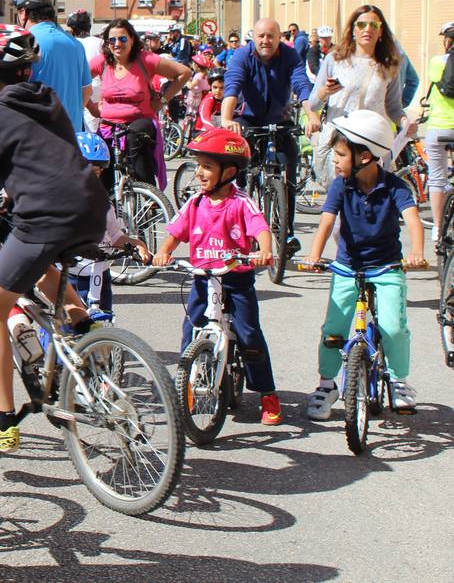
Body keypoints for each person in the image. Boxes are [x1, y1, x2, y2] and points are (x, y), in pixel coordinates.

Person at [0, 25, 110, 452]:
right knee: (43, 265)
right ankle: (87, 336)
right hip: (90, 209)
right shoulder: (47, 102)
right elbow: (35, 156)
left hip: (46, 216)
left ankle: (2, 419)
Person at [152, 127, 281, 424]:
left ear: (229, 171)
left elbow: (260, 228)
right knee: (191, 330)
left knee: (249, 334)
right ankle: (186, 383)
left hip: (236, 280)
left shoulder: (240, 202)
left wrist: (264, 249)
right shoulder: (195, 202)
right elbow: (175, 232)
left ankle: (267, 394)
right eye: (198, 165)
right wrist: (164, 251)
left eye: (207, 166)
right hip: (203, 278)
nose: (199, 172)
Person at [302, 110, 425, 419]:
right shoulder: (341, 186)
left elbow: (413, 221)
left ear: (365, 156)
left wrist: (417, 253)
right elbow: (327, 222)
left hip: (386, 268)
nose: (336, 161)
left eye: (341, 155)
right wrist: (314, 255)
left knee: (393, 328)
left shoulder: (395, 187)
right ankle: (327, 384)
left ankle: (398, 380)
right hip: (347, 267)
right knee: (333, 329)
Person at [221, 17, 312, 253]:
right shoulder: (243, 56)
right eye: (261, 36)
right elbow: (233, 86)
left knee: (289, 165)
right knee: (239, 163)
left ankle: (287, 231)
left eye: (271, 36)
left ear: (279, 37)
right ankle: (240, 213)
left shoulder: (290, 55)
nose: (266, 41)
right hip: (247, 119)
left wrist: (312, 114)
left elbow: (301, 83)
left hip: (279, 119)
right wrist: (227, 119)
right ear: (254, 37)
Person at [307, 4, 409, 179]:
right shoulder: (335, 59)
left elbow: (393, 108)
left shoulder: (389, 65)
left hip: (371, 144)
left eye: (373, 25)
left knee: (372, 200)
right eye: (361, 25)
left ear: (381, 31)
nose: (367, 29)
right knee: (341, 200)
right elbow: (314, 103)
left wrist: (406, 122)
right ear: (353, 29)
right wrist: (325, 91)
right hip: (341, 143)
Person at [87, 18, 190, 188]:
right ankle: (110, 207)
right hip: (108, 125)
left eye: (123, 39)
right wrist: (90, 106)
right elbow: (77, 79)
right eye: (112, 40)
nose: (117, 44)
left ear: (133, 39)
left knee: (136, 138)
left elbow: (184, 73)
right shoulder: (103, 62)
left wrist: (163, 100)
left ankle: (149, 197)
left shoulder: (145, 59)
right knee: (102, 167)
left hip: (140, 120)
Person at [67, 132, 150, 314]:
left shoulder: (103, 203)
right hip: (70, 277)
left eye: (94, 173)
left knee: (103, 326)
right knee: (67, 328)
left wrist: (136, 244)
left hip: (100, 276)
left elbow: (114, 236)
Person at [13, 0, 90, 131]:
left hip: (39, 138)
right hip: (72, 138)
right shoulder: (76, 45)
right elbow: (86, 91)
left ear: (23, 12)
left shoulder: (25, 42)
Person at [424, 22, 454, 232]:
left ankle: (437, 228)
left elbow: (435, 82)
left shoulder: (437, 62)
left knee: (437, 178)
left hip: (439, 127)